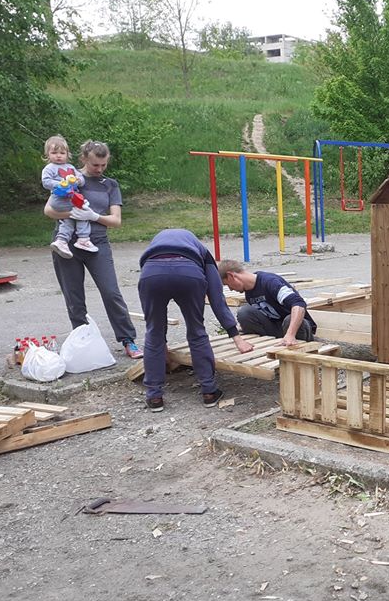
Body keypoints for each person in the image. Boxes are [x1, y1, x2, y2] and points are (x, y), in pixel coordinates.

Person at [44, 140, 143, 359]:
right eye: (94, 165)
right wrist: (71, 215)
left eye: (103, 165)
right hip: (66, 244)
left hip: (97, 243)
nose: (99, 170)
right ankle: (83, 342)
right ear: (83, 160)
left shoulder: (110, 184)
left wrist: (93, 216)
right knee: (74, 296)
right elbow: (49, 210)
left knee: (111, 292)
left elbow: (116, 221)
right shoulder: (69, 177)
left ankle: (128, 340)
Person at [138, 229, 255, 412]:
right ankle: (209, 391)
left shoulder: (154, 246)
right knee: (196, 330)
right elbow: (217, 299)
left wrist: (160, 345)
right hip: (189, 273)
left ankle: (154, 397)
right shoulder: (203, 253)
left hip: (152, 274)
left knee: (154, 332)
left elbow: (145, 266)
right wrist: (235, 335)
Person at [217, 260, 317, 346]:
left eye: (227, 284)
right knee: (245, 313)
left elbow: (299, 304)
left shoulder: (270, 282)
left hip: (296, 329)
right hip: (277, 328)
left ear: (231, 276)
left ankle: (294, 345)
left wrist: (290, 334)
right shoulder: (249, 293)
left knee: (289, 319)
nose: (230, 289)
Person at [41, 135, 97, 257]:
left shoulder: (70, 167)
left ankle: (61, 241)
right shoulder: (49, 168)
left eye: (62, 152)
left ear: (67, 154)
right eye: (54, 152)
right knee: (83, 210)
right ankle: (83, 238)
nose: (59, 155)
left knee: (69, 219)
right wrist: (61, 183)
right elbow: (46, 182)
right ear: (48, 155)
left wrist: (77, 180)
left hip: (71, 197)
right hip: (59, 198)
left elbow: (81, 179)